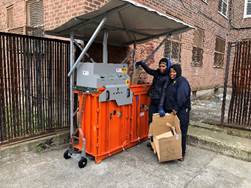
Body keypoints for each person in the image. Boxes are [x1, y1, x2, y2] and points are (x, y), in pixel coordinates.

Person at [159, 64, 191, 160]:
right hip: (173, 111)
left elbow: (182, 96)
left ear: (178, 72)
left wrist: (175, 109)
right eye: (170, 72)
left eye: (174, 72)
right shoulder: (172, 81)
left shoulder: (182, 81)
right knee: (173, 131)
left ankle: (181, 153)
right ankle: (173, 151)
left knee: (181, 131)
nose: (171, 74)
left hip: (181, 112)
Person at [135, 58, 172, 124]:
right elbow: (149, 71)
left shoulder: (167, 78)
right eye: (160, 66)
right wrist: (142, 63)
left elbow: (164, 92)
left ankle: (156, 133)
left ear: (167, 67)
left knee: (158, 122)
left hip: (160, 101)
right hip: (153, 99)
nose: (161, 68)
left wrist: (160, 107)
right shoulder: (157, 73)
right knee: (150, 119)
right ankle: (151, 133)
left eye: (163, 66)